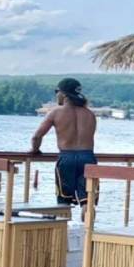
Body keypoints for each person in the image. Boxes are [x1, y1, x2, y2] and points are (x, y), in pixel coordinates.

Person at [31, 78, 97, 212]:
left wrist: (35, 149)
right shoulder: (90, 114)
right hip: (88, 158)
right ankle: (89, 232)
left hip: (67, 158)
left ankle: (63, 232)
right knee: (87, 202)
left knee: (64, 202)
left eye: (57, 91)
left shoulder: (56, 112)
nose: (56, 95)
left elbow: (37, 136)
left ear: (64, 94)